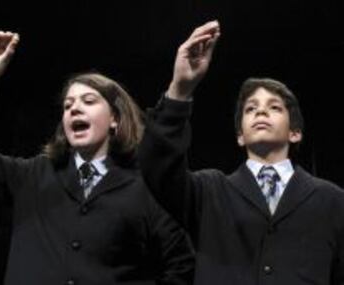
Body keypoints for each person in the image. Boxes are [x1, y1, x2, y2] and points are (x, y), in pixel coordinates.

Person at [0, 31, 195, 285]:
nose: (74, 108)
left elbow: (182, 266)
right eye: (68, 105)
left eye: (88, 101)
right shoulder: (32, 176)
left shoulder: (146, 188)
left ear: (115, 119)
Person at [138, 20, 344, 285]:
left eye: (274, 108)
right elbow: (156, 165)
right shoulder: (209, 192)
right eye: (251, 108)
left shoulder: (333, 201)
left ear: (295, 133)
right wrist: (180, 89)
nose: (260, 111)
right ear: (240, 135)